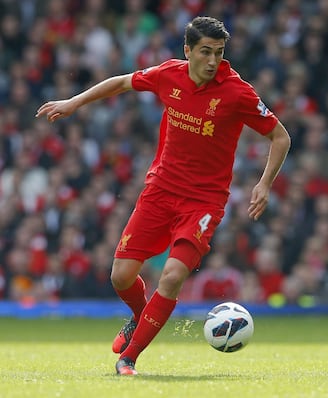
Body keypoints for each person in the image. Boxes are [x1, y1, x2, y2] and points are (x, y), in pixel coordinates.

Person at [36, 16, 291, 376]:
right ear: (187, 50)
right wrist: (74, 102)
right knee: (121, 277)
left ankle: (129, 358)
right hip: (159, 191)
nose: (213, 60)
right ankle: (141, 316)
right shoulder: (168, 74)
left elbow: (280, 136)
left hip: (204, 202)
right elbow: (122, 82)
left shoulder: (238, 92)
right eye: (205, 52)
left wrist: (264, 183)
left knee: (171, 277)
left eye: (218, 53)